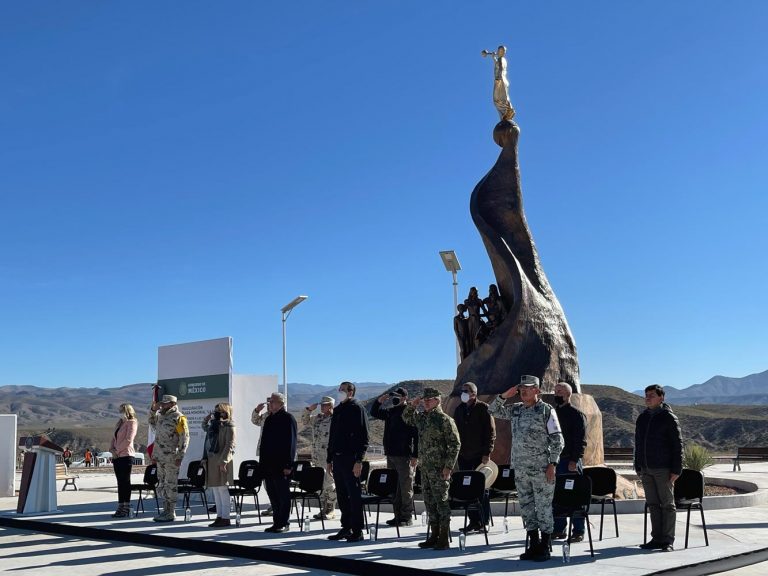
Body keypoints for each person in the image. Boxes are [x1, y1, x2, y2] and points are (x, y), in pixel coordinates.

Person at [489, 375, 564, 561]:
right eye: (521, 388)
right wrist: (504, 396)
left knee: (544, 507)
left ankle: (545, 546)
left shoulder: (546, 410)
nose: (523, 391)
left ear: (537, 391)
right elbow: (492, 410)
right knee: (527, 508)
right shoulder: (516, 410)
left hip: (541, 469)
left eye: (528, 388)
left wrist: (552, 464)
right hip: (521, 470)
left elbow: (558, 440)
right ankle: (533, 545)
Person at [402, 387, 460, 550]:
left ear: (438, 400)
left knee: (441, 502)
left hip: (440, 469)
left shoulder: (444, 420)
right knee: (429, 502)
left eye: (429, 400)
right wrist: (412, 405)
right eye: (424, 400)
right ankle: (433, 535)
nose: (426, 403)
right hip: (426, 468)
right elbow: (406, 418)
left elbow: (455, 444)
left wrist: (448, 467)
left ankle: (443, 537)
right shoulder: (423, 419)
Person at [635, 384, 683, 553]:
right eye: (646, 395)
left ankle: (668, 540)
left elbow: (678, 445)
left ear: (661, 397)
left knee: (668, 505)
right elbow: (638, 444)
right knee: (653, 505)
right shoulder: (642, 418)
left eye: (652, 395)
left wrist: (677, 469)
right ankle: (656, 538)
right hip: (646, 468)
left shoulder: (669, 417)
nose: (648, 398)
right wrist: (637, 464)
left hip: (663, 468)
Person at [326, 381, 369, 543]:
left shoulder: (357, 409)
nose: (340, 392)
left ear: (351, 392)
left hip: (351, 458)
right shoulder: (337, 410)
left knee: (354, 495)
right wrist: (329, 459)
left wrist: (359, 460)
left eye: (343, 390)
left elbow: (364, 437)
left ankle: (357, 530)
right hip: (337, 458)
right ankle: (346, 527)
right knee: (342, 494)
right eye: (339, 389)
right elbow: (333, 436)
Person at [370, 386, 418, 527]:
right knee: (394, 487)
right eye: (394, 396)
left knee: (405, 487)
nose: (395, 399)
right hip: (391, 454)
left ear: (405, 398)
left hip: (404, 455)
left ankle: (406, 516)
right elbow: (374, 412)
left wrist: (415, 455)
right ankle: (397, 516)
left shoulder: (409, 413)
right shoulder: (390, 412)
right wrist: (379, 401)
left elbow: (416, 436)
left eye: (398, 396)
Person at [454, 381, 496, 534]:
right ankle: (473, 521)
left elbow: (491, 433)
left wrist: (487, 453)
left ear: (474, 393)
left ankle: (484, 521)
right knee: (467, 489)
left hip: (479, 455)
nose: (463, 393)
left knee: (481, 489)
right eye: (462, 390)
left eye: (466, 390)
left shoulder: (483, 409)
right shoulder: (459, 409)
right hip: (463, 455)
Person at [551, 382, 587, 541]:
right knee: (558, 497)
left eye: (559, 391)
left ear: (567, 394)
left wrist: (574, 460)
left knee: (574, 497)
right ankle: (559, 529)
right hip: (555, 461)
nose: (556, 394)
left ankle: (578, 531)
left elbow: (580, 440)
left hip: (569, 461)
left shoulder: (576, 414)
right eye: (555, 391)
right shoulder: (551, 414)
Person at [148, 394, 190, 522]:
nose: (162, 405)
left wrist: (180, 455)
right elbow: (151, 422)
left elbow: (185, 438)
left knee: (171, 485)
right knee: (162, 484)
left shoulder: (178, 418)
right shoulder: (161, 416)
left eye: (165, 403)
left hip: (172, 456)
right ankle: (165, 510)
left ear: (173, 404)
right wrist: (153, 410)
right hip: (160, 457)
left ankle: (171, 512)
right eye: (162, 403)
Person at [260, 392, 297, 533]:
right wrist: (262, 465)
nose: (270, 404)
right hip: (268, 464)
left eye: (273, 401)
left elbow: (291, 443)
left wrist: (288, 465)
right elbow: (264, 443)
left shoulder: (288, 419)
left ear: (281, 403)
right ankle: (276, 522)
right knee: (273, 495)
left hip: (281, 465)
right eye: (269, 401)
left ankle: (284, 522)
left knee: (282, 495)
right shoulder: (269, 419)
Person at [302, 396, 338, 520]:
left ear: (331, 406)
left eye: (326, 404)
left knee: (329, 483)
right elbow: (305, 421)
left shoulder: (336, 419)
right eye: (321, 404)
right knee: (321, 484)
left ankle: (331, 509)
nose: (322, 406)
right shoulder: (317, 419)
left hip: (328, 457)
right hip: (317, 456)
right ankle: (324, 509)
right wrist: (308, 409)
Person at [202, 402, 237, 527]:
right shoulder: (214, 425)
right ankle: (219, 516)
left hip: (222, 460)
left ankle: (226, 517)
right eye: (215, 410)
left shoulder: (229, 425)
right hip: (212, 459)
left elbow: (230, 445)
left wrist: (224, 461)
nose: (217, 413)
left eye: (219, 411)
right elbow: (205, 429)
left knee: (222, 489)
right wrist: (205, 421)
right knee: (215, 489)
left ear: (226, 412)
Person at [110, 403, 138, 518]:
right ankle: (120, 505)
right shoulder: (120, 423)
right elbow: (114, 438)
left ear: (127, 411)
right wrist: (111, 449)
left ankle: (126, 506)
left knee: (125, 482)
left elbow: (128, 439)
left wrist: (118, 451)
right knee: (119, 482)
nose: (119, 412)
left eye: (121, 410)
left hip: (126, 455)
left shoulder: (132, 422)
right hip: (117, 456)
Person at [251, 401, 273, 517]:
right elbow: (255, 421)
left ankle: (277, 505)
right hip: (263, 452)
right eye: (268, 404)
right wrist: (257, 410)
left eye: (271, 404)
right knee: (266, 481)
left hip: (274, 453)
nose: (269, 406)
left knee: (275, 481)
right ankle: (273, 504)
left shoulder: (281, 417)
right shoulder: (265, 416)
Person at [482, 45, 516, 121]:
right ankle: (508, 113)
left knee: (497, 100)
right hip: (504, 80)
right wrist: (494, 58)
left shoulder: (501, 59)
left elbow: (500, 68)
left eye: (501, 51)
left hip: (500, 79)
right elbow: (497, 65)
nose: (499, 52)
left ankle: (507, 113)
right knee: (503, 98)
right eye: (499, 50)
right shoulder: (503, 59)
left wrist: (498, 79)